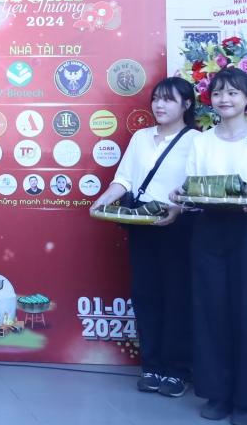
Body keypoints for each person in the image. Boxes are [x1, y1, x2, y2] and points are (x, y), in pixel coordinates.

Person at [169, 68, 247, 425]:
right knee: (210, 312)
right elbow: (193, 185)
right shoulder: (202, 140)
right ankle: (217, 394)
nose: (224, 99)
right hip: (209, 230)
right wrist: (179, 193)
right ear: (209, 100)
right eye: (217, 93)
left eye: (232, 93)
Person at [90, 76, 198, 399]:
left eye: (169, 100)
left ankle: (177, 370)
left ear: (187, 105)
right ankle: (151, 367)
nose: (160, 105)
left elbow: (196, 187)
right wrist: (103, 199)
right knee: (146, 296)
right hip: (141, 224)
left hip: (178, 227)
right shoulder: (140, 138)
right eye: (156, 99)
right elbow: (123, 179)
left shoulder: (197, 140)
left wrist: (177, 209)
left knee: (178, 298)